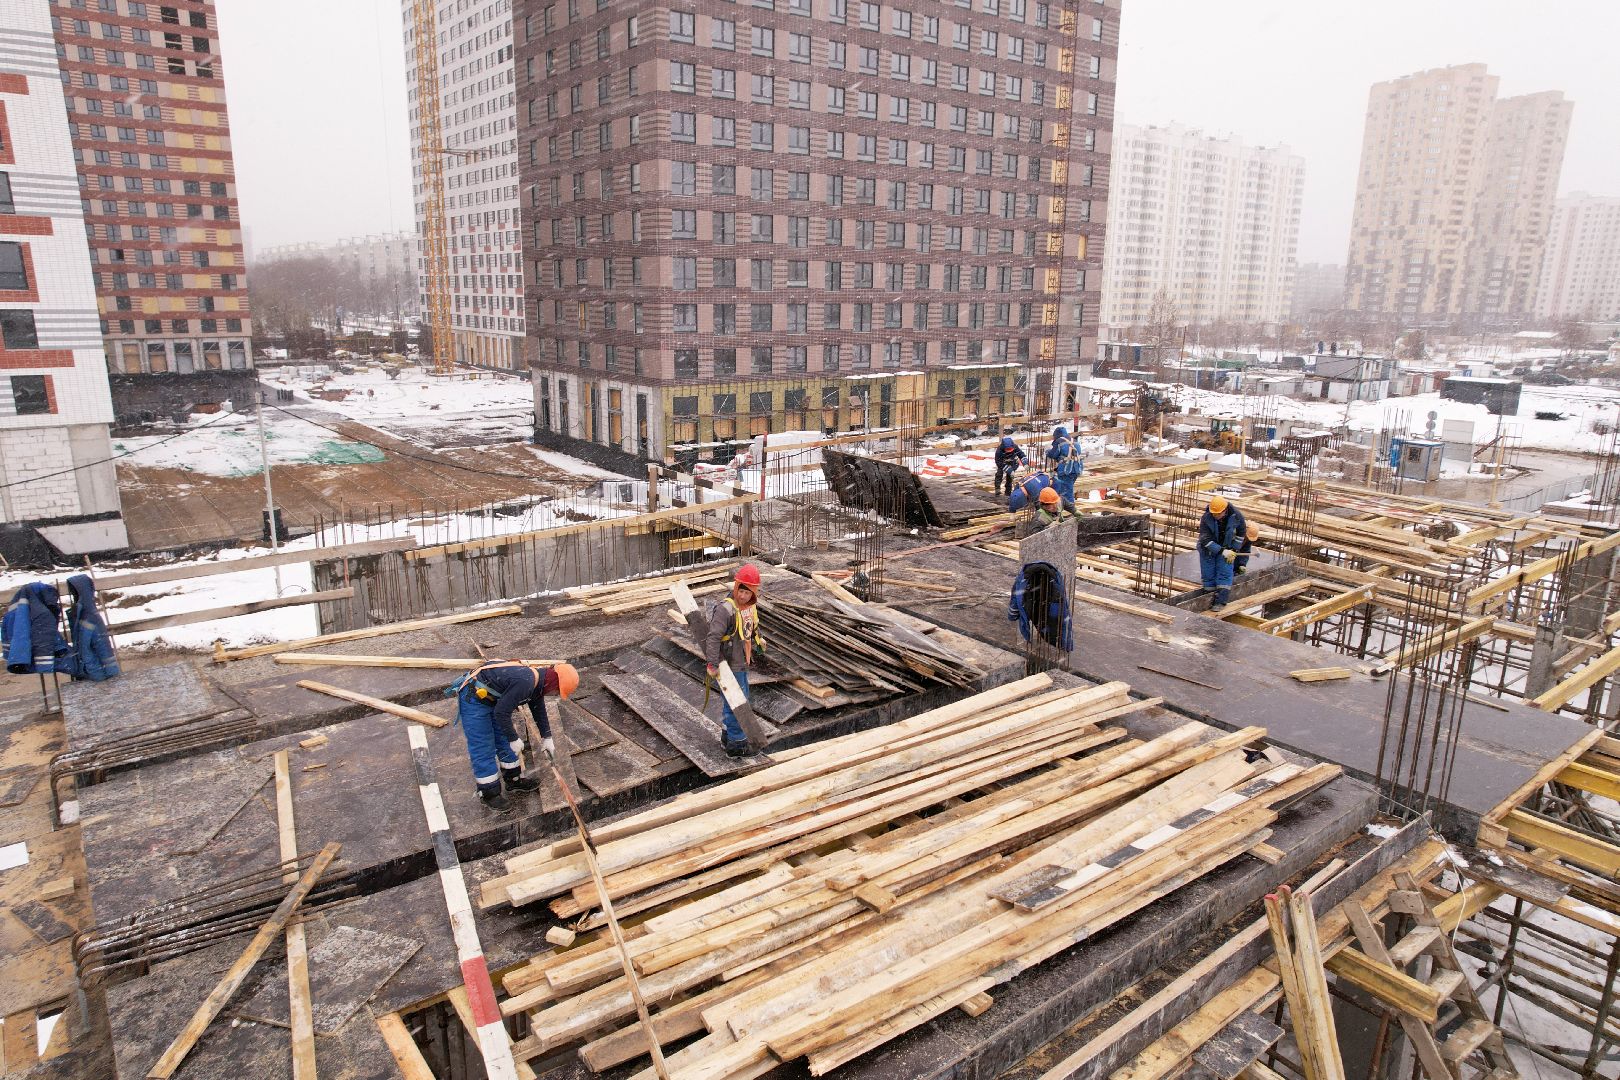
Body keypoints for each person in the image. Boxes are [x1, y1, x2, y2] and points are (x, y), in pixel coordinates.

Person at [452, 659, 579, 812]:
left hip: (494, 700)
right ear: (554, 684)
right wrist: (513, 738)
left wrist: (547, 737)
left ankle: (513, 780)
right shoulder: (525, 682)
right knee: (483, 745)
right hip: (473, 699)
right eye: (557, 692)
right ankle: (489, 794)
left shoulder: (539, 682)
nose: (555, 695)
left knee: (504, 738)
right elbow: (501, 713)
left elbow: (538, 709)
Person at [703, 563, 765, 757]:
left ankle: (727, 736)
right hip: (729, 663)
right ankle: (737, 744)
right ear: (736, 586)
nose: (743, 596)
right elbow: (713, 638)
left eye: (748, 592)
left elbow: (751, 627)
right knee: (737, 702)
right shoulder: (725, 609)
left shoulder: (749, 607)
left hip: (741, 660)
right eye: (741, 591)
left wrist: (759, 639)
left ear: (753, 593)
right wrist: (712, 664)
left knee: (732, 700)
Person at [1197, 496, 1248, 610]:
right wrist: (1221, 551)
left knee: (1225, 573)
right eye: (1214, 514)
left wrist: (1234, 550)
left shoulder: (1236, 516)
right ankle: (1208, 600)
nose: (1215, 516)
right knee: (1208, 575)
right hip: (1208, 549)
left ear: (1225, 510)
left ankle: (1220, 601)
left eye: (1218, 514)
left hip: (1227, 546)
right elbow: (1205, 539)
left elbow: (1241, 533)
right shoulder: (1206, 518)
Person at [1046, 426, 1086, 502]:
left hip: (1066, 470)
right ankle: (1065, 505)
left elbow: (1053, 454)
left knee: (1066, 492)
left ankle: (1069, 507)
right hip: (1077, 469)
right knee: (1067, 488)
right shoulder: (1074, 441)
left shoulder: (1059, 441)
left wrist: (1048, 452)